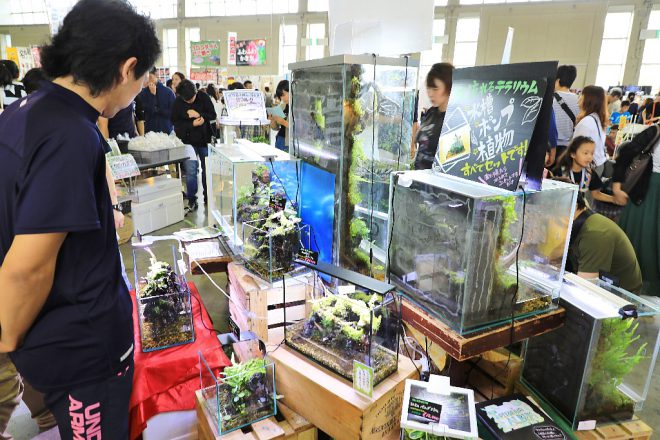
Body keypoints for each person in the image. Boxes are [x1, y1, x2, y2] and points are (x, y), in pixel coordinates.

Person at [0, 2, 159, 440]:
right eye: (144, 76)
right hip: (81, 353)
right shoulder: (69, 134)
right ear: (127, 68)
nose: (140, 89)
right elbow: (28, 266)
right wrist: (7, 336)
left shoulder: (24, 112)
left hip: (53, 339)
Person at [612, 123, 660, 295]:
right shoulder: (654, 132)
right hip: (647, 194)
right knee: (642, 240)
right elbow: (625, 154)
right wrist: (616, 186)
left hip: (648, 196)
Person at [564, 191, 643, 294]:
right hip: (598, 287)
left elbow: (584, 289)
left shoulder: (595, 234)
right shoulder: (579, 224)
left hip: (619, 297)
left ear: (574, 207)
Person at [172, 79, 216, 208]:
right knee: (191, 171)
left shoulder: (203, 97)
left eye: (191, 98)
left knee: (207, 169)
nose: (189, 102)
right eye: (187, 100)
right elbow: (175, 123)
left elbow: (212, 115)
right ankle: (192, 199)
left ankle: (208, 196)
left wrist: (199, 115)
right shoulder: (178, 102)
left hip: (205, 140)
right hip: (187, 142)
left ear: (196, 92)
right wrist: (191, 124)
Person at [552, 135, 621, 205]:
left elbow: (596, 194)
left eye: (592, 153)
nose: (590, 157)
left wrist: (614, 199)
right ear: (573, 154)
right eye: (585, 153)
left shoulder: (589, 173)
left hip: (580, 208)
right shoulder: (559, 172)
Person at [414, 62, 454, 170]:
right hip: (419, 176)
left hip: (436, 178)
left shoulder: (453, 119)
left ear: (449, 88)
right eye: (429, 88)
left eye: (435, 89)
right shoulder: (431, 113)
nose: (430, 93)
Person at [572, 85, 608, 175]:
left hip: (588, 166)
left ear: (588, 99)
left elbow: (577, 148)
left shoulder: (586, 122)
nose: (579, 98)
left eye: (582, 95)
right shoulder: (597, 118)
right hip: (596, 164)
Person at [551, 65, 579, 164]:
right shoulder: (579, 100)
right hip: (568, 148)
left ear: (557, 80)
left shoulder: (550, 99)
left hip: (551, 146)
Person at [140, 67, 175, 133]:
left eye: (150, 77)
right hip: (150, 131)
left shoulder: (168, 92)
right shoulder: (143, 93)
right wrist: (153, 95)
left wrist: (158, 110)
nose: (147, 80)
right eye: (145, 78)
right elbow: (147, 111)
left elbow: (173, 113)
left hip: (166, 130)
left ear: (156, 75)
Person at [269, 80, 289, 151]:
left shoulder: (298, 108)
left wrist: (283, 122)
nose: (282, 98)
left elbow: (299, 129)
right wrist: (273, 120)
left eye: (284, 95)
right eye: (280, 96)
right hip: (280, 139)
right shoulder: (282, 106)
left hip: (289, 142)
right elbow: (275, 128)